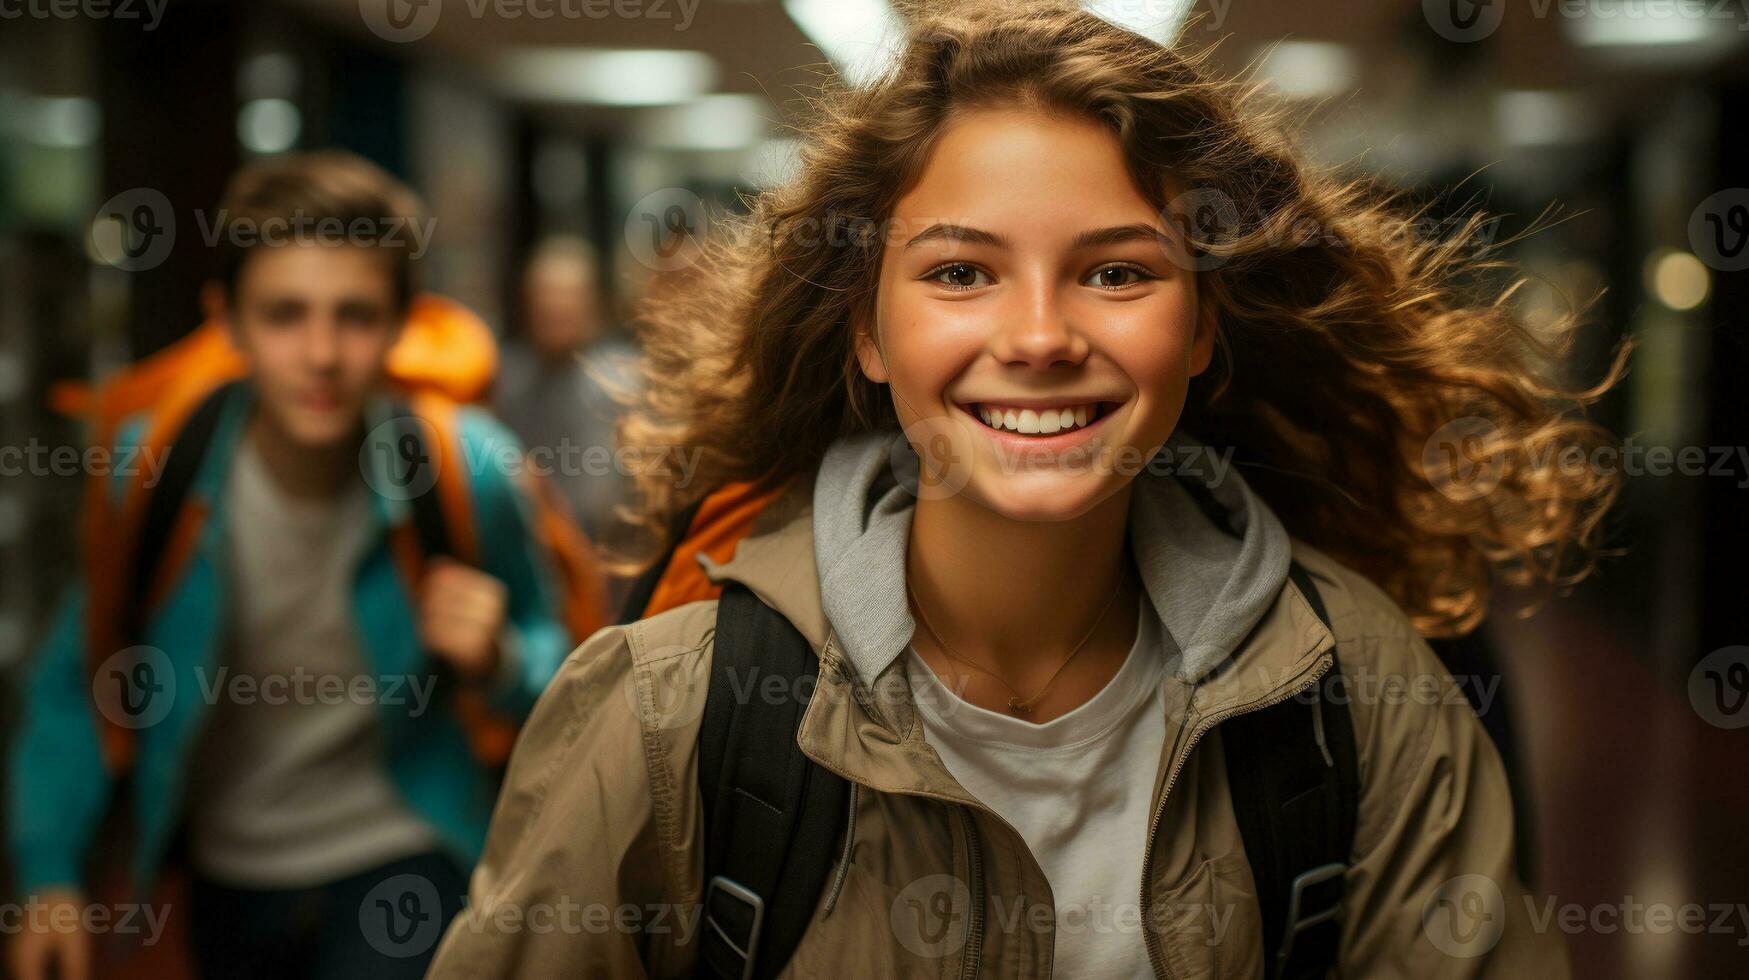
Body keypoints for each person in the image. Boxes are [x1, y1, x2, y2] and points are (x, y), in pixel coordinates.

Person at [427, 3, 1623, 977]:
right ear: (869, 331)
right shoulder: (665, 717)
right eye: (960, 271)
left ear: (1202, 326)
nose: (1041, 335)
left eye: (1115, 270)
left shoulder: (1364, 696)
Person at [6, 151, 576, 980]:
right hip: (219, 879)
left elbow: (565, 669)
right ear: (227, 322)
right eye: (283, 314)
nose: (321, 353)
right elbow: (80, 674)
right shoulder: (157, 467)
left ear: (399, 324)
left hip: (408, 858)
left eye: (354, 315)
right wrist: (47, 873)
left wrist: (499, 658)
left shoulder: (466, 469)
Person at [495, 236, 639, 548]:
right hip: (529, 545)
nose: (556, 306)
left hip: (609, 551)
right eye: (546, 294)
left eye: (568, 295)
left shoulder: (628, 382)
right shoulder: (504, 378)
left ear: (593, 304)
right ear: (527, 304)